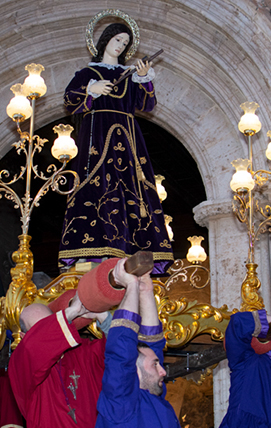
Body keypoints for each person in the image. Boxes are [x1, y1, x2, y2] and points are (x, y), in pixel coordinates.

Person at [58, 20, 173, 274]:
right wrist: (92, 89)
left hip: (129, 141)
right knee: (97, 185)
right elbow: (70, 100)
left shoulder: (131, 76)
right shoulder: (88, 73)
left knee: (132, 189)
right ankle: (96, 250)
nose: (121, 46)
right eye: (117, 40)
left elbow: (146, 104)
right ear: (105, 40)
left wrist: (143, 78)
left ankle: (132, 248)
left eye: (125, 43)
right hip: (97, 137)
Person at [8, 257, 124, 428]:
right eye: (39, 329)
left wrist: (103, 317)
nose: (48, 331)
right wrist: (72, 312)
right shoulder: (22, 362)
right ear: (26, 337)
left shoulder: (81, 352)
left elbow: (118, 355)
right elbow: (35, 348)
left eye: (50, 323)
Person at [93, 259, 188, 428]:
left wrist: (146, 290)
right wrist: (131, 287)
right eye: (155, 365)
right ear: (133, 371)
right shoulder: (121, 403)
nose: (163, 371)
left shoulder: (155, 401)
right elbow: (121, 349)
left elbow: (153, 345)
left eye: (158, 365)